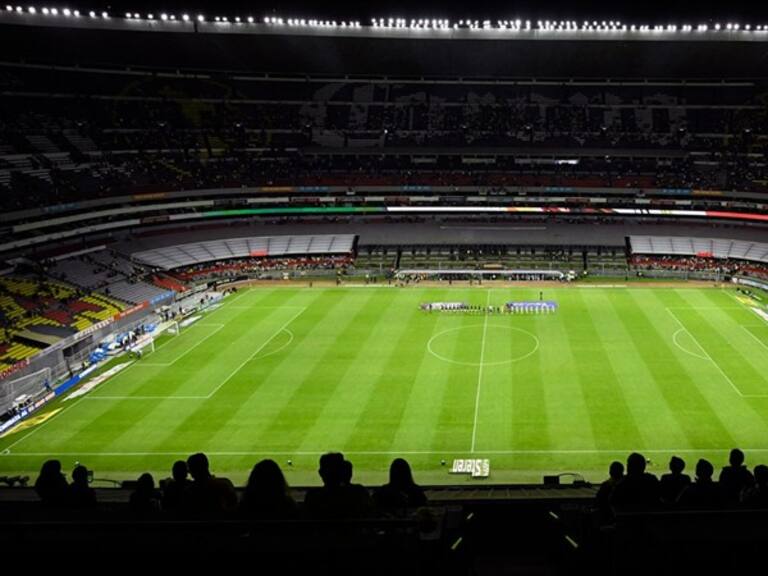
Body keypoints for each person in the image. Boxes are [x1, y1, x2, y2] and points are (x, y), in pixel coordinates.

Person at [182, 452, 238, 518]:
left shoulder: (189, 490)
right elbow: (234, 505)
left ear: (191, 471)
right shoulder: (225, 483)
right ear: (207, 465)